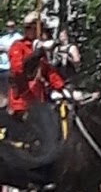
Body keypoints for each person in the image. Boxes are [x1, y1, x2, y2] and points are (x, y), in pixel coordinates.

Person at [5, 11, 65, 177]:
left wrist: (62, 88)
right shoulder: (18, 47)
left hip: (39, 102)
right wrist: (35, 54)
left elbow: (49, 73)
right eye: (38, 29)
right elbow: (18, 71)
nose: (41, 32)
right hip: (22, 102)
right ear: (29, 29)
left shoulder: (39, 49)